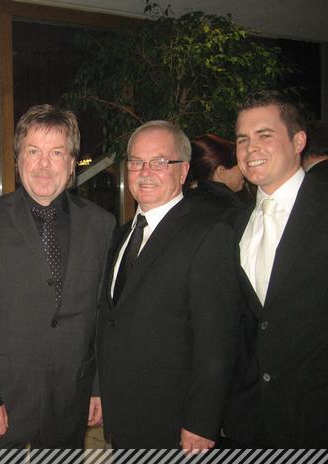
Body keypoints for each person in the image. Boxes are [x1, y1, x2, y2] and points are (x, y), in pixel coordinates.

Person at [0, 104, 116, 449]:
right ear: (18, 160)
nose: (44, 165)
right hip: (3, 400)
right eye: (33, 152)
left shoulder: (101, 225)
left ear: (72, 163)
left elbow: (101, 315)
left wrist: (97, 387)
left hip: (70, 398)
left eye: (56, 153)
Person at [98, 120, 240, 451]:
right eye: (136, 162)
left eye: (160, 162)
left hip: (174, 422)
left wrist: (202, 422)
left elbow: (217, 340)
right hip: (124, 415)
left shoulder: (207, 234)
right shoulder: (121, 234)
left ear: (183, 170)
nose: (145, 172)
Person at [223, 91, 328, 447]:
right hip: (249, 425)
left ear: (298, 141)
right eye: (242, 139)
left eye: (264, 135)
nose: (250, 148)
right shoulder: (233, 224)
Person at [185, 134, 247, 213]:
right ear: (221, 172)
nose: (244, 168)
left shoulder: (186, 204)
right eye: (238, 163)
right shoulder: (231, 212)